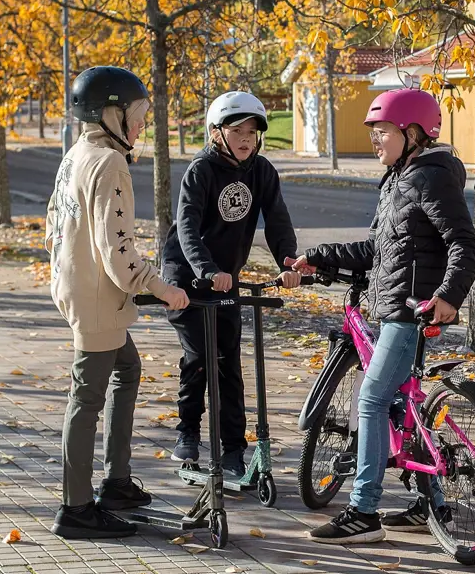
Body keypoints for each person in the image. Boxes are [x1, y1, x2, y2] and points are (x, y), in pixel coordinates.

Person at [291, 88, 475, 543]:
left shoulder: (426, 178)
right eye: (374, 133)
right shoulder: (401, 179)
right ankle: (429, 502)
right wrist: (318, 256)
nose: (376, 141)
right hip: (399, 303)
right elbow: (380, 250)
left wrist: (449, 295)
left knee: (372, 400)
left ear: (412, 133)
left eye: (383, 133)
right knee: (402, 404)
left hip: (410, 310)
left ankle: (363, 511)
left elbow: (464, 241)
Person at [44, 65, 189, 540]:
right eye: (136, 114)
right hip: (97, 298)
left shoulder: (77, 154)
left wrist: (68, 265)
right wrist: (165, 289)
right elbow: (119, 252)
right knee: (86, 397)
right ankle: (77, 508)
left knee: (127, 368)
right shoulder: (109, 163)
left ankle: (117, 482)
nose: (141, 124)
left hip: (76, 288)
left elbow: (52, 223)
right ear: (109, 112)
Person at [162, 90, 300, 478]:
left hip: (226, 279)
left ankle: (234, 451)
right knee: (199, 356)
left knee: (229, 364)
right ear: (215, 132)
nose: (245, 138)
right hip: (187, 276)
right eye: (236, 129)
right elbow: (187, 227)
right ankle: (187, 432)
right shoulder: (201, 171)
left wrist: (288, 263)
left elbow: (277, 220)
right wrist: (205, 269)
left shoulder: (262, 172)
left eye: (252, 131)